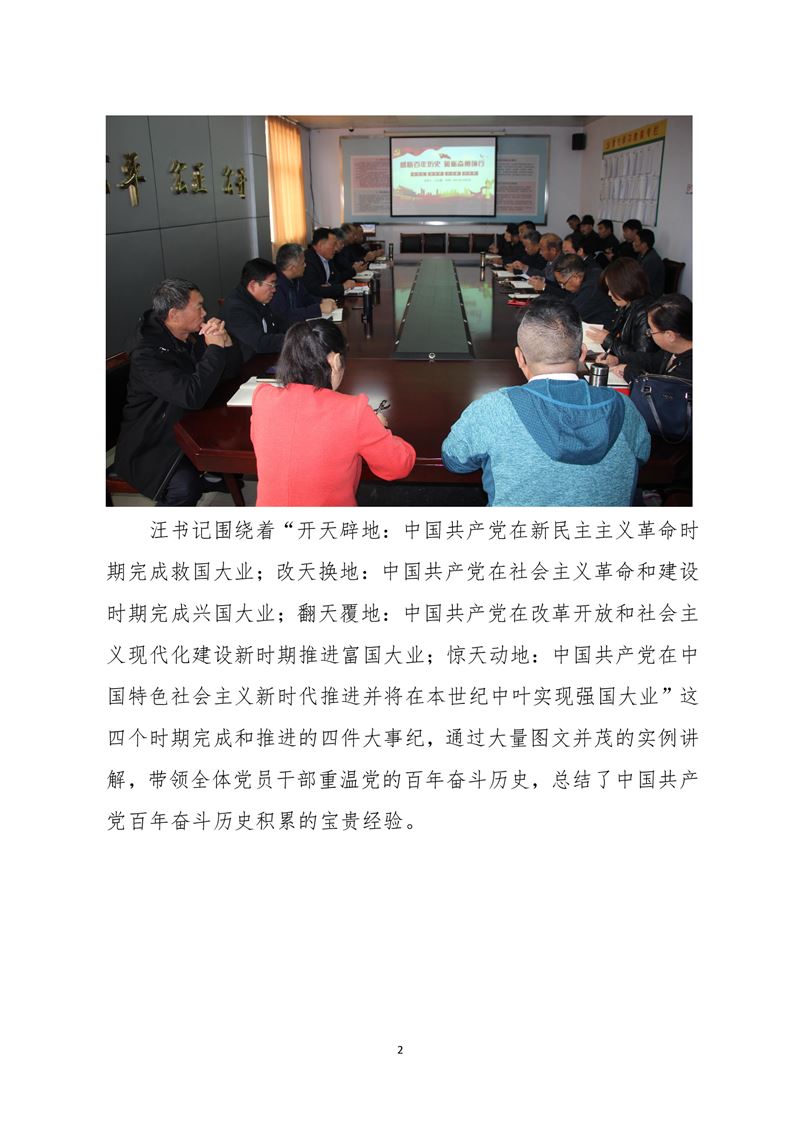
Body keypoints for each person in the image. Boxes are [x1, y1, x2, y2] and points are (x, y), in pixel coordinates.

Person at [441, 298, 650, 506]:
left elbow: (455, 460)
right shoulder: (624, 408)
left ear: (519, 357)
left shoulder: (494, 410)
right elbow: (642, 455)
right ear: (582, 354)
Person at [250, 320, 416, 505]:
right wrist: (377, 429)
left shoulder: (262, 397)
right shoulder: (353, 411)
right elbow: (399, 466)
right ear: (336, 361)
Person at [114, 278, 242, 505]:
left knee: (238, 437)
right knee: (185, 488)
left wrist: (225, 341)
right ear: (174, 314)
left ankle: (214, 475)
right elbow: (191, 395)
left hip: (187, 421)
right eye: (199, 307)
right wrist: (214, 348)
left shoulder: (187, 334)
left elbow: (230, 372)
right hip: (152, 439)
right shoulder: (147, 353)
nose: (205, 313)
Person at [584, 257, 658, 364]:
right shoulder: (627, 304)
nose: (609, 293)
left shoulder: (645, 313)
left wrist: (608, 340)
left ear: (626, 285)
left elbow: (642, 357)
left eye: (612, 289)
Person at [223, 258, 286, 361]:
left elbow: (276, 325)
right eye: (271, 284)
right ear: (252, 285)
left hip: (263, 358)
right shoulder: (236, 309)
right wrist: (294, 339)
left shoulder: (258, 298)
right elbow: (260, 343)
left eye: (275, 285)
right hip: (246, 366)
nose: (274, 290)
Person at [621, 293, 693, 383]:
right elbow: (652, 361)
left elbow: (660, 387)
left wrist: (628, 370)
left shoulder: (688, 369)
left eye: (651, 330)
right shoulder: (672, 350)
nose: (649, 333)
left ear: (669, 335)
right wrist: (618, 359)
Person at [269, 244, 336, 329]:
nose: (305, 265)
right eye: (302, 263)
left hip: (300, 325)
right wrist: (319, 309)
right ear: (292, 268)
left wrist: (322, 300)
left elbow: (305, 297)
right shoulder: (275, 285)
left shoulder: (296, 279)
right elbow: (286, 315)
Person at [552, 254, 615, 327]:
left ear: (576, 277)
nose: (562, 287)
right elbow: (567, 302)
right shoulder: (590, 273)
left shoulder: (592, 287)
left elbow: (570, 315)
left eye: (563, 283)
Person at [303, 228, 356, 301]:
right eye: (333, 245)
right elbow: (314, 290)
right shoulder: (308, 260)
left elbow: (336, 279)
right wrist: (343, 287)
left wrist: (329, 286)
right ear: (320, 245)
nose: (335, 249)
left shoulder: (328, 257)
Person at [635, 228, 665, 297]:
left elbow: (643, 283)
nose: (633, 243)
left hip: (651, 296)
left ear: (644, 244)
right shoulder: (641, 254)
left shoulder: (652, 260)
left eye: (636, 241)